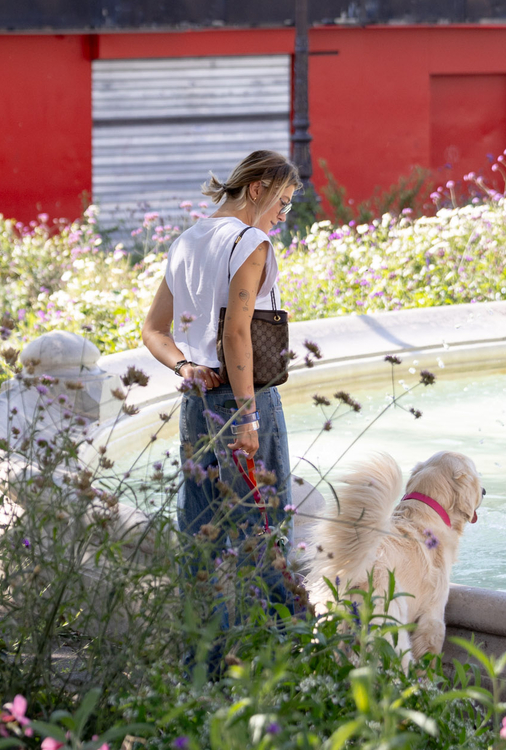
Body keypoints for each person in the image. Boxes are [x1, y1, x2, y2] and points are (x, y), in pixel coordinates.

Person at [141, 150, 302, 615]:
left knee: (200, 539)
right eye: (283, 202)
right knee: (266, 535)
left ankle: (203, 670)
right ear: (257, 189)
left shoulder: (186, 241)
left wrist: (183, 367)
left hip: (197, 405)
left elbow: (153, 330)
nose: (283, 215)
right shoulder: (249, 241)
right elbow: (237, 333)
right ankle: (279, 664)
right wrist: (248, 416)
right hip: (243, 401)